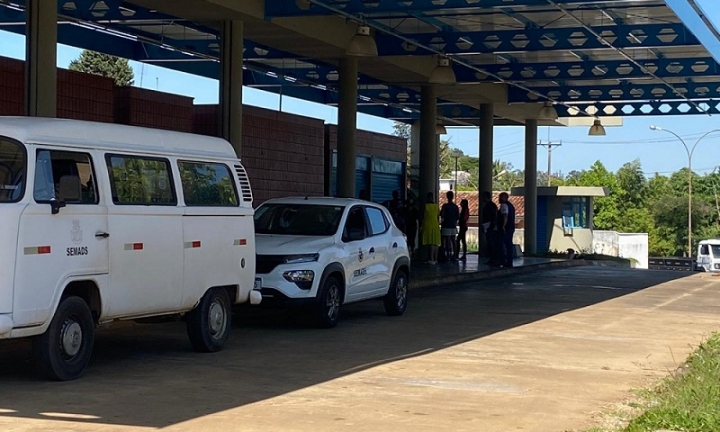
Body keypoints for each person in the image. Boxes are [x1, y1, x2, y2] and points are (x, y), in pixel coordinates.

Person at [497, 192, 516, 268]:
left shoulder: (504, 205)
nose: (499, 199)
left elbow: (505, 216)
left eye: (500, 197)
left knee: (501, 244)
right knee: (509, 245)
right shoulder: (511, 206)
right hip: (511, 227)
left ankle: (502, 261)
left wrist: (503, 226)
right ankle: (509, 261)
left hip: (506, 228)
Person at [480, 191, 499, 265]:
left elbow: (493, 217)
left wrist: (491, 226)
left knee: (491, 243)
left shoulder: (490, 206)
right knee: (490, 243)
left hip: (489, 226)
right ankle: (492, 258)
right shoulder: (491, 205)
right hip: (489, 226)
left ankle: (493, 258)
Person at [440, 191, 460, 261]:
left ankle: (447, 254)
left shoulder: (445, 206)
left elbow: (442, 215)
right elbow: (458, 216)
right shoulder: (455, 207)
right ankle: (454, 254)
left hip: (446, 225)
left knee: (447, 240)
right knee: (453, 240)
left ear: (447, 197)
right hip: (453, 225)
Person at [421, 192, 440, 265]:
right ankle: (435, 259)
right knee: (435, 242)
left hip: (428, 224)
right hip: (435, 225)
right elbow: (438, 215)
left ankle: (431, 259)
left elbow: (424, 216)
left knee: (430, 243)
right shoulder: (436, 206)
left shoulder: (426, 206)